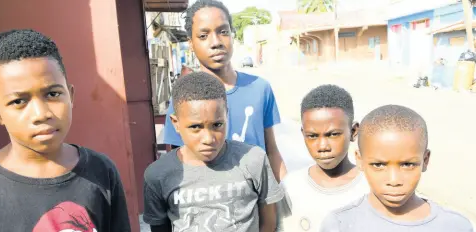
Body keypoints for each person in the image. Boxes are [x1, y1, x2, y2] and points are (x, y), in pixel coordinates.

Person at [0, 29, 130, 231]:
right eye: (19, 101)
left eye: (53, 94)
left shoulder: (102, 171)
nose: (41, 113)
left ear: (70, 96)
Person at [162, 0, 287, 181]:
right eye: (203, 36)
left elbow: (272, 152)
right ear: (190, 43)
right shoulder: (183, 98)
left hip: (257, 202)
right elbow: (176, 164)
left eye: (223, 32)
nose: (216, 42)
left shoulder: (260, 88)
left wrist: (287, 196)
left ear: (232, 35)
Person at [143, 72, 284, 232]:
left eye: (217, 125)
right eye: (195, 127)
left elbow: (269, 224)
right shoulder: (157, 175)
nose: (209, 139)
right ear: (176, 123)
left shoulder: (253, 160)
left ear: (227, 116)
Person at [320, 105, 474, 231]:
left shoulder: (455, 226)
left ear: (425, 160)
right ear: (360, 160)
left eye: (407, 165)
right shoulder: (340, 224)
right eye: (379, 165)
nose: (394, 181)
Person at [276, 85, 369, 232]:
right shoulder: (291, 186)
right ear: (303, 134)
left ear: (353, 131)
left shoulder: (371, 188)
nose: (323, 146)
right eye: (312, 136)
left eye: (333, 134)